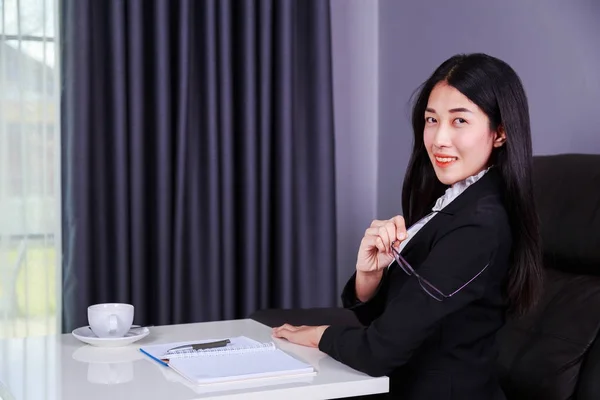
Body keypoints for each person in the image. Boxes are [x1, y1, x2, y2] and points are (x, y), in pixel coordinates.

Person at [272, 53, 544, 400]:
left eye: (459, 121)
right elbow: (394, 322)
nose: (439, 138)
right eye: (432, 120)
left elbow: (379, 350)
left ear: (500, 132)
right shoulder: (457, 203)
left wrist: (317, 335)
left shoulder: (479, 225)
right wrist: (368, 277)